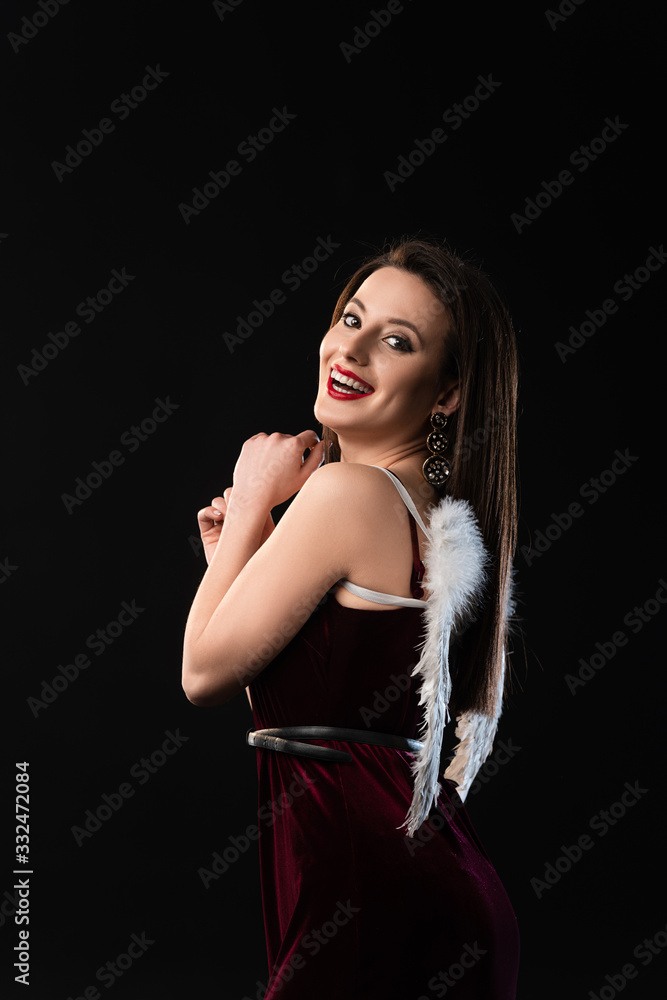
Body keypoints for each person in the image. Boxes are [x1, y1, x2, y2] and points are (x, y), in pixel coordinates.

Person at [182, 237, 521, 998]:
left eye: (397, 341)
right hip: (429, 886)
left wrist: (251, 495)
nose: (352, 350)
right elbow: (304, 705)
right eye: (351, 319)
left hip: (366, 898)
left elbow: (200, 675)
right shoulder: (440, 515)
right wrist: (240, 556)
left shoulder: (348, 493)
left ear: (446, 393)